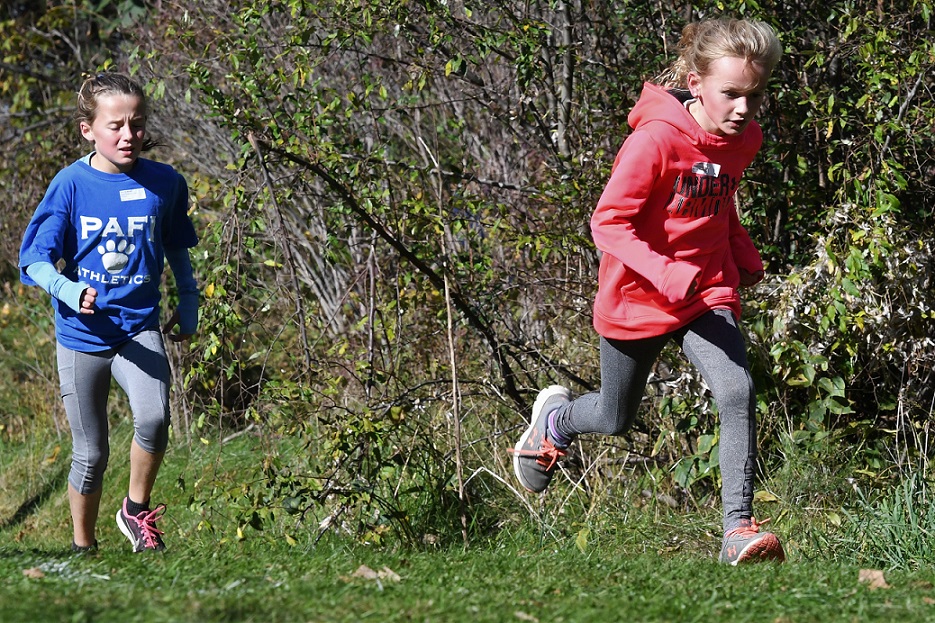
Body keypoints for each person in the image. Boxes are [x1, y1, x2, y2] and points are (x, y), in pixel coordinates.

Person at [510, 18, 785, 565]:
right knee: (616, 417)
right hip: (639, 296)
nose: (742, 110)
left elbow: (716, 199)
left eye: (754, 97)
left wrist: (741, 250)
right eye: (731, 94)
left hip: (706, 289)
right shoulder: (654, 140)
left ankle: (737, 530)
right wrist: (664, 273)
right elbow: (608, 223)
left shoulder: (744, 139)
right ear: (695, 82)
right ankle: (556, 422)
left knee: (735, 389)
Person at [19, 72, 199, 553]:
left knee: (154, 419)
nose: (128, 136)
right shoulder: (71, 185)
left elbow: (178, 247)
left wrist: (188, 302)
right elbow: (33, 259)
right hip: (83, 336)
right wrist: (67, 289)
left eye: (137, 124)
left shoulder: (165, 183)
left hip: (138, 329)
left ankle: (135, 510)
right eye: (115, 125)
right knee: (91, 453)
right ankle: (84, 548)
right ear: (88, 129)